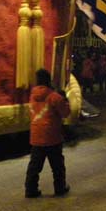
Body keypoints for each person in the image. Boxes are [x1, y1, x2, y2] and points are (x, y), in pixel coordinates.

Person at [25, 68, 71, 198]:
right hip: (52, 136)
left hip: (36, 135)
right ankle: (60, 188)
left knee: (35, 165)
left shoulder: (32, 96)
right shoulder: (54, 97)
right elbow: (65, 113)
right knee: (57, 166)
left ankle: (30, 189)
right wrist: (65, 99)